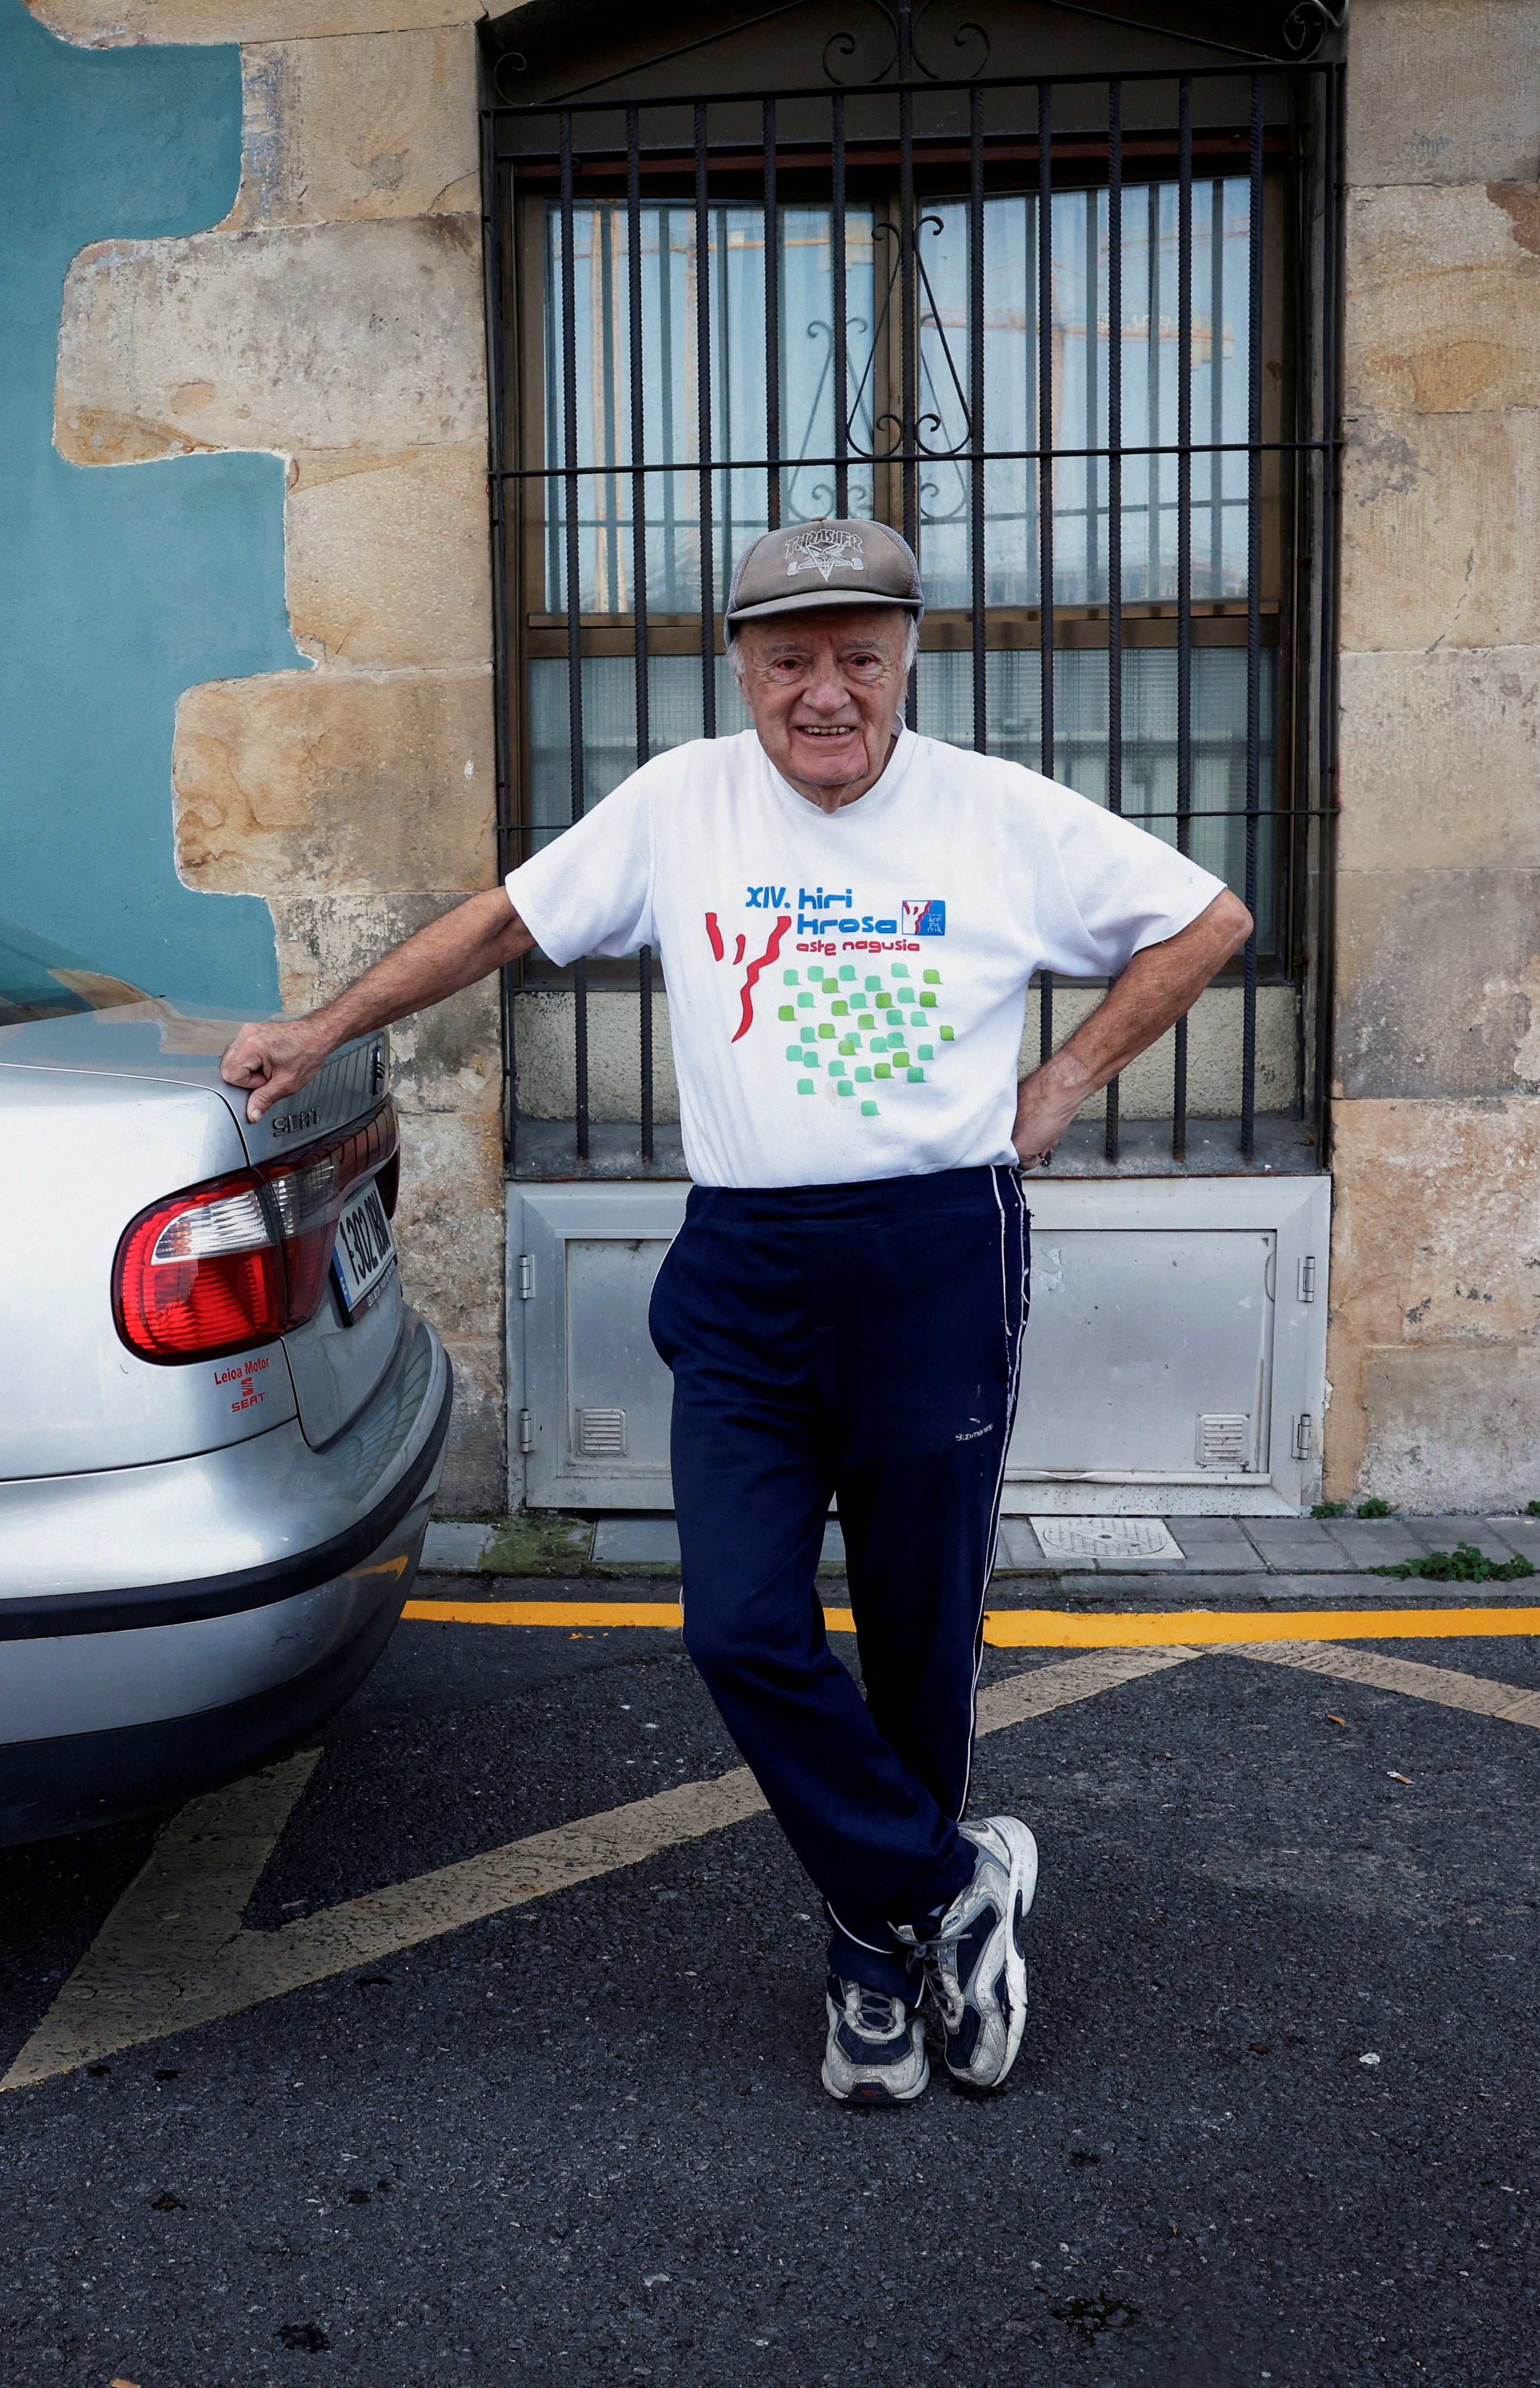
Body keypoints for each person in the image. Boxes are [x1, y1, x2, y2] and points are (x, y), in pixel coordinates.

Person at [220, 518, 1251, 2106]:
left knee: (918, 1642)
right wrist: (323, 1023)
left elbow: (1210, 921)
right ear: (743, 670)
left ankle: (871, 1972)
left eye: (858, 656)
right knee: (740, 1625)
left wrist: (1067, 1080)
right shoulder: (679, 803)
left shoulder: (998, 818)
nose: (825, 693)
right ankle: (950, 1884)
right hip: (750, 1269)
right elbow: (504, 922)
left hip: (935, 1257)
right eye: (790, 661)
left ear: (907, 656)